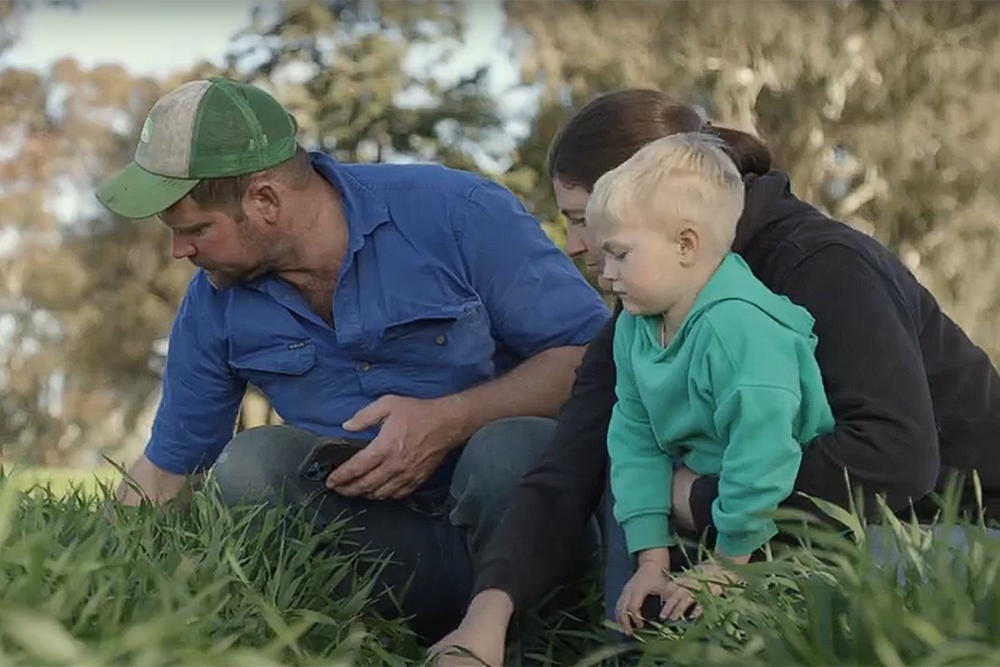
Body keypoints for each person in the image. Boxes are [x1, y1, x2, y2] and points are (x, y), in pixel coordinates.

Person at [431, 89, 1000, 666]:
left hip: (944, 532)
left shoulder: (821, 264)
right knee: (627, 471)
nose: (576, 244)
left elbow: (895, 456)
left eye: (584, 219)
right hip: (768, 517)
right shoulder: (647, 307)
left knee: (716, 528)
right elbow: (568, 468)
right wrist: (486, 618)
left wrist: (699, 499)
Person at [93, 77, 610, 640]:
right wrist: (88, 577)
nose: (179, 251)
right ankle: (354, 638)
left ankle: (529, 637)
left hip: (519, 530)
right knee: (251, 464)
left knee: (511, 448)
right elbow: (168, 473)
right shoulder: (212, 302)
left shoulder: (458, 212)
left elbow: (590, 358)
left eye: (195, 230)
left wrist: (452, 420)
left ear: (265, 200)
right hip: (376, 553)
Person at [587, 133, 834, 633]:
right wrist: (652, 562)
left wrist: (726, 566)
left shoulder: (738, 329)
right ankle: (630, 642)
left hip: (784, 515)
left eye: (619, 254)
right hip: (704, 490)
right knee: (619, 490)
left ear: (685, 244)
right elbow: (634, 434)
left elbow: (763, 456)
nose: (606, 275)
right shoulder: (636, 325)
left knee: (737, 627)